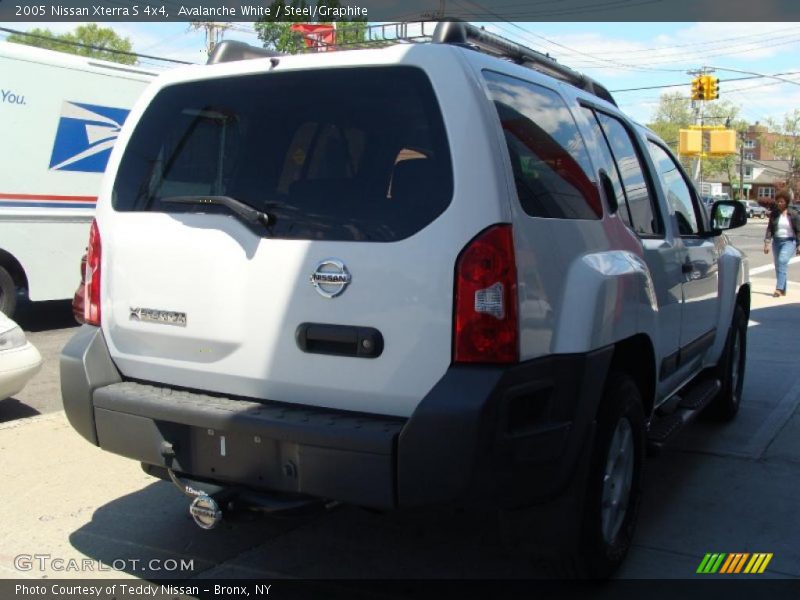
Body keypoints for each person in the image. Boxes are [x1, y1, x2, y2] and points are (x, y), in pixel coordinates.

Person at [763, 189, 800, 297]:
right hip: (777, 241)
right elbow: (770, 228)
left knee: (782, 260)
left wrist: (799, 246)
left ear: (787, 202)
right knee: (778, 265)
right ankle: (783, 289)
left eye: (782, 202)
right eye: (778, 201)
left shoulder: (793, 214)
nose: (779, 203)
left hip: (789, 241)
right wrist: (767, 242)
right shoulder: (774, 214)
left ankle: (778, 289)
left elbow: (799, 230)